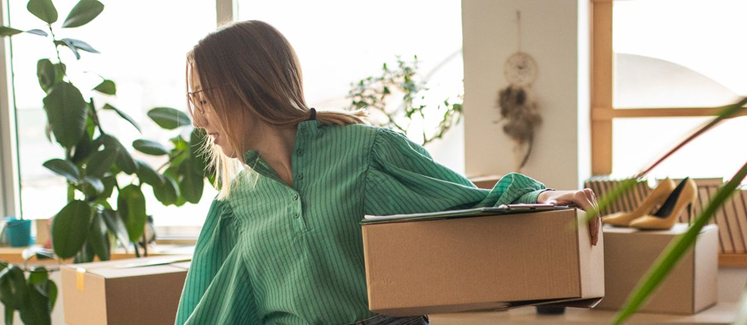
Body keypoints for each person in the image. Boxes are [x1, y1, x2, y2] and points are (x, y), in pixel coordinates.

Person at [175, 20, 600, 325]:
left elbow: (467, 203)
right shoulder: (235, 206)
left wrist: (541, 199)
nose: (197, 119)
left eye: (202, 98)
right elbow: (214, 312)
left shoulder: (367, 152)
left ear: (245, 87)